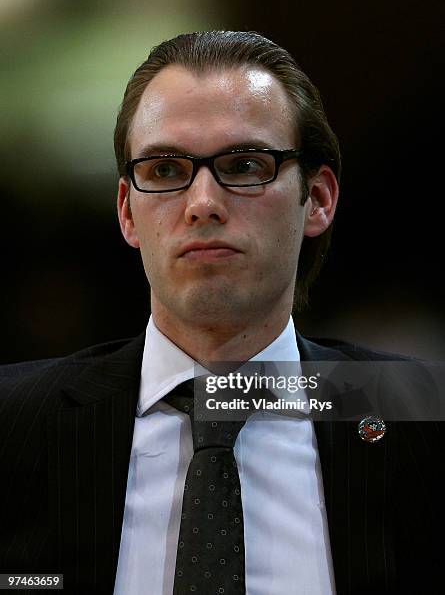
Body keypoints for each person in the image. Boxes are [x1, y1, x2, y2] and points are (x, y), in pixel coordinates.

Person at [0, 31, 443, 595]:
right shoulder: (12, 425)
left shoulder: (422, 421)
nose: (203, 203)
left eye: (244, 164)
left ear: (319, 198)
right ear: (127, 213)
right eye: (164, 170)